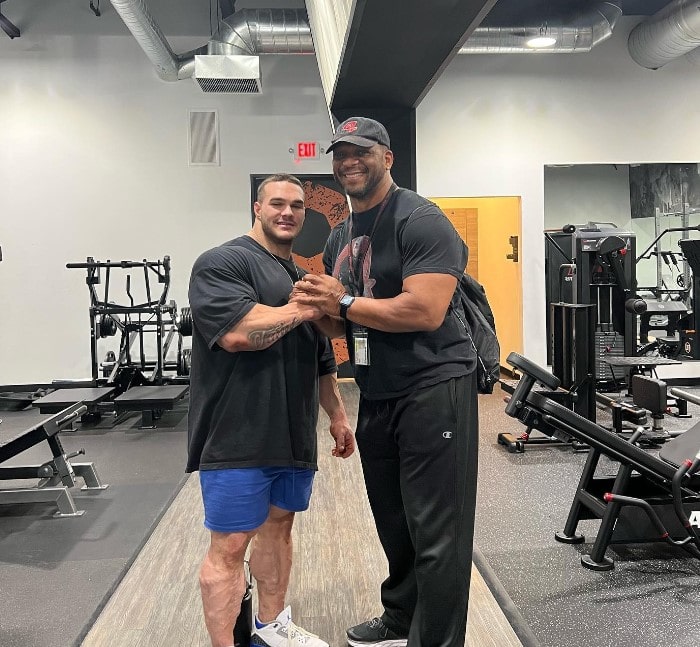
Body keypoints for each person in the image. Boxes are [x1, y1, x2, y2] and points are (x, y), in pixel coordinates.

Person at [291, 118, 479, 647]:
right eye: (340, 154)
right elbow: (343, 324)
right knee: (395, 522)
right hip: (377, 390)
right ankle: (401, 619)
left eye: (361, 151)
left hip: (434, 386)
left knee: (437, 531)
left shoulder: (420, 220)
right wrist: (311, 308)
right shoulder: (341, 235)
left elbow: (424, 309)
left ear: (387, 157)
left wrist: (343, 301)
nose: (349, 162)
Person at [186, 173, 355, 647]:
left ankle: (271, 626)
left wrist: (337, 414)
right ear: (257, 208)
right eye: (277, 203)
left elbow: (322, 357)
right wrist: (308, 309)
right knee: (230, 544)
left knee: (279, 529)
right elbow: (238, 333)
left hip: (293, 434)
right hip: (237, 434)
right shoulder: (223, 262)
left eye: (297, 205)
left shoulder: (300, 276)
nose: (288, 212)